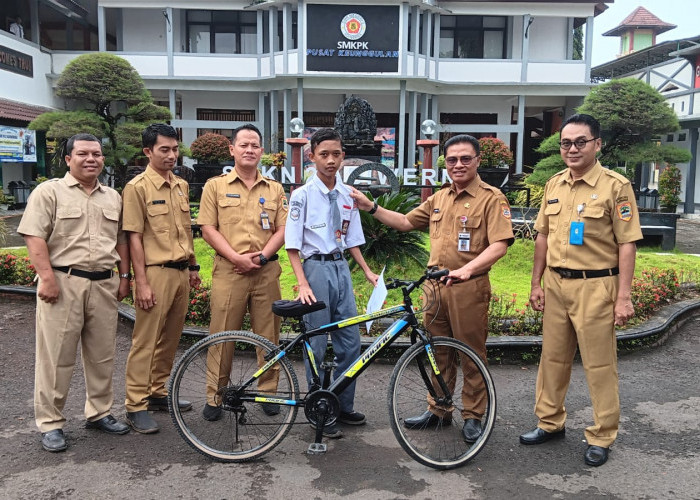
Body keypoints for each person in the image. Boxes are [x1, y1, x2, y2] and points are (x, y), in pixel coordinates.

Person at [351, 134, 514, 443]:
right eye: (452, 160)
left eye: (465, 159)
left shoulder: (491, 198)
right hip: (435, 289)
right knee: (437, 351)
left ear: (478, 161)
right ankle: (439, 409)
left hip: (468, 288)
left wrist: (466, 270)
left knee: (471, 354)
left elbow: (500, 244)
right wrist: (369, 206)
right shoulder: (439, 198)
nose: (458, 165)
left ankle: (473, 415)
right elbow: (403, 221)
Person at [519, 114, 643, 467]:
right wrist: (535, 283)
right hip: (557, 283)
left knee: (599, 363)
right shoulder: (554, 184)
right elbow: (542, 235)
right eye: (566, 143)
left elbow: (628, 244)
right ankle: (550, 421)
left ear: (597, 144)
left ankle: (602, 434)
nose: (572, 149)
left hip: (596, 285)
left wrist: (623, 296)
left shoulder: (615, 186)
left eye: (580, 142)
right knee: (553, 359)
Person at [18, 133, 132, 452]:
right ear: (68, 159)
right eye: (83, 154)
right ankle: (51, 423)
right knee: (57, 355)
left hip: (104, 284)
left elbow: (121, 240)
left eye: (96, 153)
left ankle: (99, 412)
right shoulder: (49, 192)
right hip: (63, 282)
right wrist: (47, 278)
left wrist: (125, 276)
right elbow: (34, 236)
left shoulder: (113, 197)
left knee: (102, 354)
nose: (91, 159)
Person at [285, 127, 379, 439]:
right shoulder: (301, 196)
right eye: (323, 154)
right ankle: (318, 409)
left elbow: (350, 237)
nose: (330, 160)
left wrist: (366, 270)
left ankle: (341, 403)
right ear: (311, 156)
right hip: (315, 270)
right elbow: (293, 245)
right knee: (315, 342)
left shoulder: (347, 195)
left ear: (343, 157)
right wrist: (303, 284)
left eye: (336, 154)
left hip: (341, 269)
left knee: (350, 341)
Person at [197, 123, 287, 421]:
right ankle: (215, 395)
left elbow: (284, 229)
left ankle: (268, 391)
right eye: (244, 145)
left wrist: (260, 258)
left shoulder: (274, 189)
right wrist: (237, 257)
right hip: (230, 271)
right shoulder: (215, 186)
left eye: (255, 145)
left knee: (268, 334)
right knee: (222, 334)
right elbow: (208, 229)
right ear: (232, 149)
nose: (250, 150)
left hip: (265, 272)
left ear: (262, 151)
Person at [122, 123, 201, 433]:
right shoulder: (137, 188)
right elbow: (134, 237)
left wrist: (193, 268)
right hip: (155, 272)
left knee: (170, 338)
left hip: (181, 272)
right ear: (148, 152)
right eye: (164, 150)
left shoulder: (180, 185)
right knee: (145, 341)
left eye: (174, 149)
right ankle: (134, 404)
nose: (171, 155)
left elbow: (186, 231)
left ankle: (156, 392)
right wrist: (139, 282)